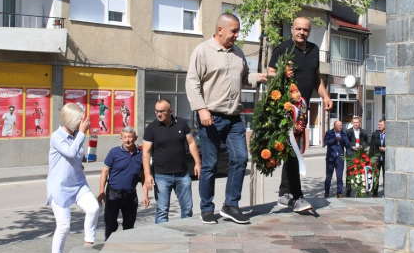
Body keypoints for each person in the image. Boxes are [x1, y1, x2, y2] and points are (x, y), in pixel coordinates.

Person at [186, 13, 267, 224]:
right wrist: (201, 109)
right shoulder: (202, 51)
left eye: (238, 31)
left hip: (233, 118)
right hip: (210, 117)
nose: (237, 35)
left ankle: (231, 205)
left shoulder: (238, 52)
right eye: (234, 31)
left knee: (240, 158)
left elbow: (244, 79)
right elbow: (192, 83)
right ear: (220, 29)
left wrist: (260, 77)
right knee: (210, 164)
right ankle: (206, 207)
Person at [267, 16, 333, 211]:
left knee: (291, 151)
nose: (301, 33)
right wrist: (282, 80)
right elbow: (270, 71)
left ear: (309, 32)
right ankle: (297, 197)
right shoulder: (282, 49)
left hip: (302, 110)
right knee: (293, 151)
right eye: (298, 29)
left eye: (305, 30)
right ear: (292, 29)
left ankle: (284, 193)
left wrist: (326, 96)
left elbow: (316, 77)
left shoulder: (313, 50)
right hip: (287, 109)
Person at [46, 103, 99, 253]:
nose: (81, 123)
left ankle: (89, 243)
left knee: (93, 208)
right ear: (71, 119)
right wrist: (82, 133)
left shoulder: (76, 134)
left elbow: (75, 154)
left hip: (78, 183)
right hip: (60, 186)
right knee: (63, 226)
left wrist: (85, 158)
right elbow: (69, 152)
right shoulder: (57, 136)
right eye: (79, 119)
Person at [142, 99, 201, 224]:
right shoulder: (151, 128)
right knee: (162, 210)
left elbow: (191, 143)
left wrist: (197, 163)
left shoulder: (181, 123)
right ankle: (163, 239)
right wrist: (147, 175)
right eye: (157, 111)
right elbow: (146, 152)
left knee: (187, 208)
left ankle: (186, 235)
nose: (159, 114)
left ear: (170, 111)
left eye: (162, 111)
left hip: (182, 174)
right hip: (161, 175)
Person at [97, 126, 148, 241]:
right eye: (124, 137)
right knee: (110, 225)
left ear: (135, 138)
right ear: (121, 139)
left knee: (129, 227)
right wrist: (101, 191)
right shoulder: (114, 152)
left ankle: (125, 248)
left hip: (130, 196)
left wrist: (145, 195)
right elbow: (105, 172)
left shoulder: (141, 154)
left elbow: (144, 176)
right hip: (113, 194)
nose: (127, 140)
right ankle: (108, 245)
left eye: (130, 137)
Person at [323, 120, 352, 198]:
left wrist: (349, 153)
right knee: (328, 177)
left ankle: (339, 192)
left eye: (341, 125)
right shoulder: (329, 133)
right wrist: (335, 139)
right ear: (335, 126)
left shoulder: (343, 134)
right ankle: (327, 192)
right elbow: (325, 143)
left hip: (340, 158)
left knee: (339, 177)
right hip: (330, 158)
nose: (341, 127)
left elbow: (347, 145)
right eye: (340, 126)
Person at [345, 116, 369, 197]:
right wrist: (351, 146)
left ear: (360, 123)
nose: (356, 124)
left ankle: (359, 190)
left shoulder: (363, 132)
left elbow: (367, 142)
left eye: (357, 122)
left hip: (360, 154)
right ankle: (348, 191)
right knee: (349, 172)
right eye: (354, 122)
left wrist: (363, 146)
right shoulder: (348, 132)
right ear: (352, 123)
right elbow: (346, 142)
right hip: (351, 154)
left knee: (359, 172)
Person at [370, 118, 386, 198]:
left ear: (385, 125)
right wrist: (371, 158)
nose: (379, 126)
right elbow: (371, 146)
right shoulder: (375, 134)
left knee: (385, 176)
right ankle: (375, 192)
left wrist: (386, 149)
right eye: (379, 125)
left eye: (381, 125)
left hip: (385, 159)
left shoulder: (389, 134)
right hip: (377, 158)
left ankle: (385, 192)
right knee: (376, 175)